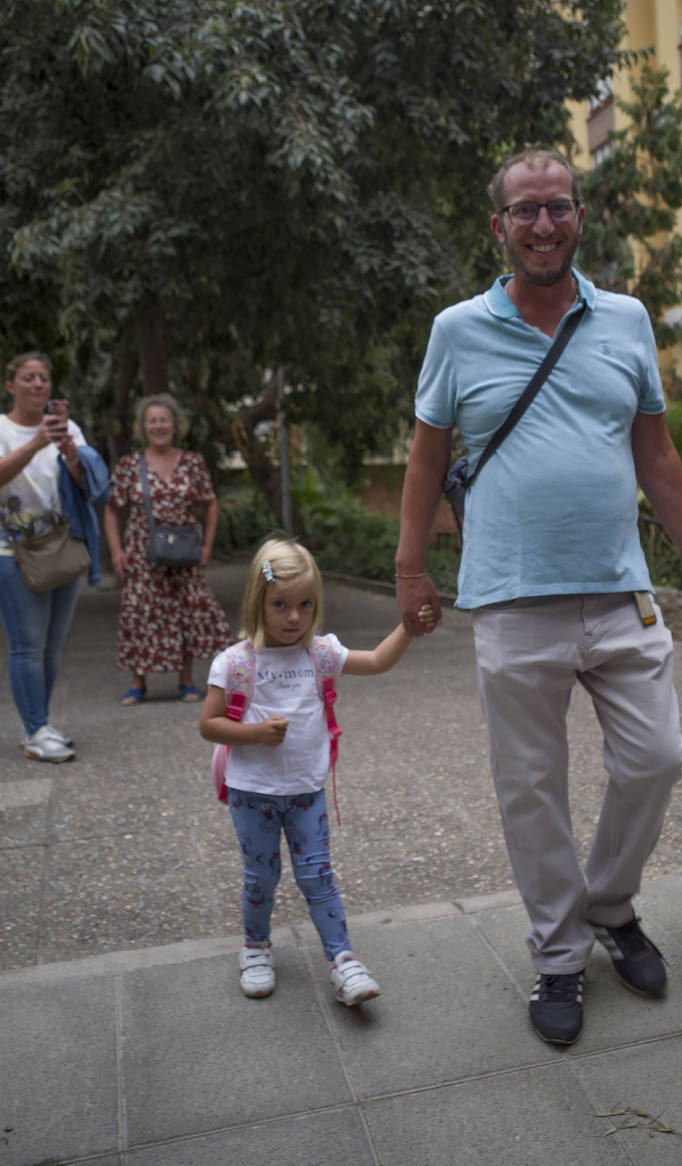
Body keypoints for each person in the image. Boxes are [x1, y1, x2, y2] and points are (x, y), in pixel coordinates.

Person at [395, 147, 682, 1046]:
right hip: (513, 600)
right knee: (532, 786)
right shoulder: (457, 330)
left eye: (557, 207)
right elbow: (429, 458)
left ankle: (609, 903)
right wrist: (409, 567)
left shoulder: (626, 320)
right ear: (499, 227)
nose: (543, 224)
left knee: (656, 757)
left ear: (579, 217)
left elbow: (656, 452)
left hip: (621, 589)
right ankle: (558, 956)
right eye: (525, 211)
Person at [199, 536, 434, 1002]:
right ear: (256, 603)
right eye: (280, 605)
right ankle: (255, 947)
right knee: (260, 877)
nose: (294, 617)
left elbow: (377, 660)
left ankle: (343, 960)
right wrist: (255, 733)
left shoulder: (320, 654)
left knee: (317, 875)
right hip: (252, 792)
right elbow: (209, 724)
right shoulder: (235, 663)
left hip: (306, 792)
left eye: (305, 605)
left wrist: (407, 628)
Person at [0, 351, 108, 762]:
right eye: (27, 377)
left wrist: (72, 454)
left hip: (61, 547)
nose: (37, 385)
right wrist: (36, 443)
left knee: (51, 646)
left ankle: (40, 723)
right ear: (11, 385)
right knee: (26, 645)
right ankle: (34, 730)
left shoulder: (69, 428)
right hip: (13, 550)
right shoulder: (4, 429)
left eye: (43, 378)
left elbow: (86, 484)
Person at [103, 393, 230, 704]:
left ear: (175, 425)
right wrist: (117, 551)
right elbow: (111, 509)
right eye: (152, 421)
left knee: (185, 613)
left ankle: (186, 682)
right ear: (143, 427)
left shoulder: (192, 463)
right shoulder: (129, 465)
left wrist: (207, 545)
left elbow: (210, 503)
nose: (159, 426)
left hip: (184, 553)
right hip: (142, 553)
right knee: (140, 615)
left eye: (164, 420)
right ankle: (137, 683)